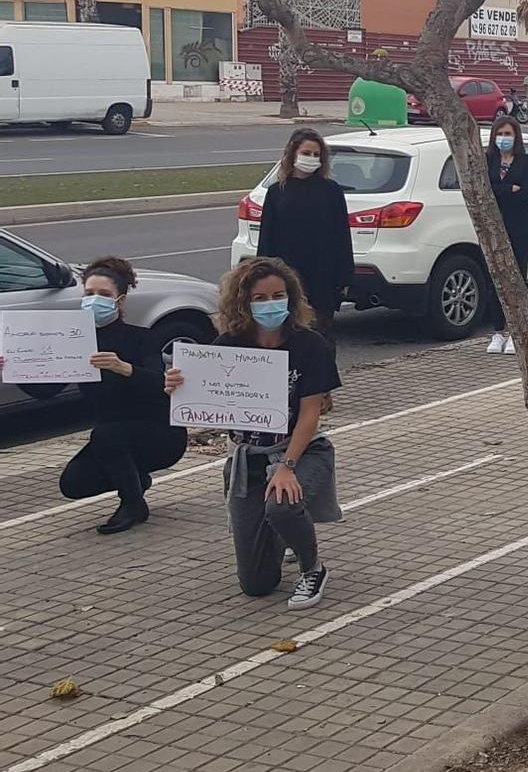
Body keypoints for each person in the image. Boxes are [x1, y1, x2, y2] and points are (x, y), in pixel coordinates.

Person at [168, 258, 341, 609]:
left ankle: (313, 568)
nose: (270, 304)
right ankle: (281, 537)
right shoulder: (229, 344)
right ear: (243, 302)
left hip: (301, 451)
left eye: (278, 296)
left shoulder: (310, 345)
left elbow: (311, 412)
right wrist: (175, 385)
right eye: (260, 298)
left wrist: (288, 466)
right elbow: (199, 391)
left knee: (281, 505)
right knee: (256, 584)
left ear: (291, 299)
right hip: (249, 457)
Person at [0, 257, 186, 534]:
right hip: (113, 440)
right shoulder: (77, 342)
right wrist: (12, 370)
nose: (94, 300)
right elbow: (46, 391)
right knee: (74, 483)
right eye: (89, 294)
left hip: (160, 434)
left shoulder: (140, 338)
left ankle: (133, 505)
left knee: (105, 434)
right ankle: (135, 480)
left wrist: (124, 368)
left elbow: (161, 387)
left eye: (104, 295)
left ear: (120, 301)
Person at [255, 128, 352, 356]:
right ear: (293, 154)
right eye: (306, 153)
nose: (311, 159)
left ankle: (324, 384)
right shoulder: (277, 192)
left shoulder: (331, 191)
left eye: (316, 154)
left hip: (322, 277)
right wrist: (262, 274)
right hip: (287, 276)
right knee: (289, 334)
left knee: (321, 336)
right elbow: (267, 237)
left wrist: (345, 276)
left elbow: (342, 235)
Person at [480, 116, 528, 355]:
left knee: (517, 280)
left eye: (508, 134)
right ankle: (498, 332)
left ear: (516, 136)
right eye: (500, 134)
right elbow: (484, 190)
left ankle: (517, 333)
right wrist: (509, 188)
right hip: (494, 229)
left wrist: (507, 191)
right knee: (495, 281)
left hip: (521, 229)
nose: (504, 138)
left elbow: (526, 194)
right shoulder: (487, 161)